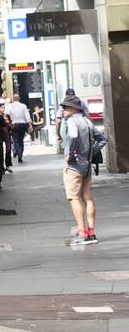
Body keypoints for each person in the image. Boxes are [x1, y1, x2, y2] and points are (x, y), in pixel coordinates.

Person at [59, 95, 98, 246]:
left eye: (66, 107)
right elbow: (102, 138)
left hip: (74, 165)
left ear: (74, 109)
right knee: (87, 197)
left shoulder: (72, 121)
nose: (63, 110)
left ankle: (82, 233)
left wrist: (69, 154)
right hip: (86, 165)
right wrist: (90, 152)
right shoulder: (87, 121)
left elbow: (73, 136)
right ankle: (91, 232)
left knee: (73, 197)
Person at [5, 95, 31, 163]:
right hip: (22, 124)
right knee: (21, 140)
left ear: (13, 99)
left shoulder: (10, 106)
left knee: (16, 140)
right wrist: (30, 124)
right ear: (19, 98)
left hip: (14, 124)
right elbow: (27, 116)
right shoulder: (23, 106)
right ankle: (20, 154)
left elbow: (6, 113)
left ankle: (19, 153)